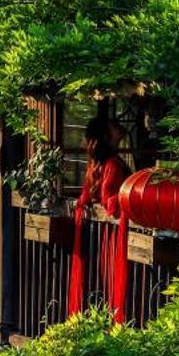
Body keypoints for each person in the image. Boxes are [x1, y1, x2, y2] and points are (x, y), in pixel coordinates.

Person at [68, 115, 133, 320]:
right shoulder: (112, 164)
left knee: (103, 281)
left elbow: (87, 196)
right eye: (113, 127)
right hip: (112, 234)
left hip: (101, 234)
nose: (119, 130)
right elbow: (110, 201)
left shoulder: (95, 164)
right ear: (105, 135)